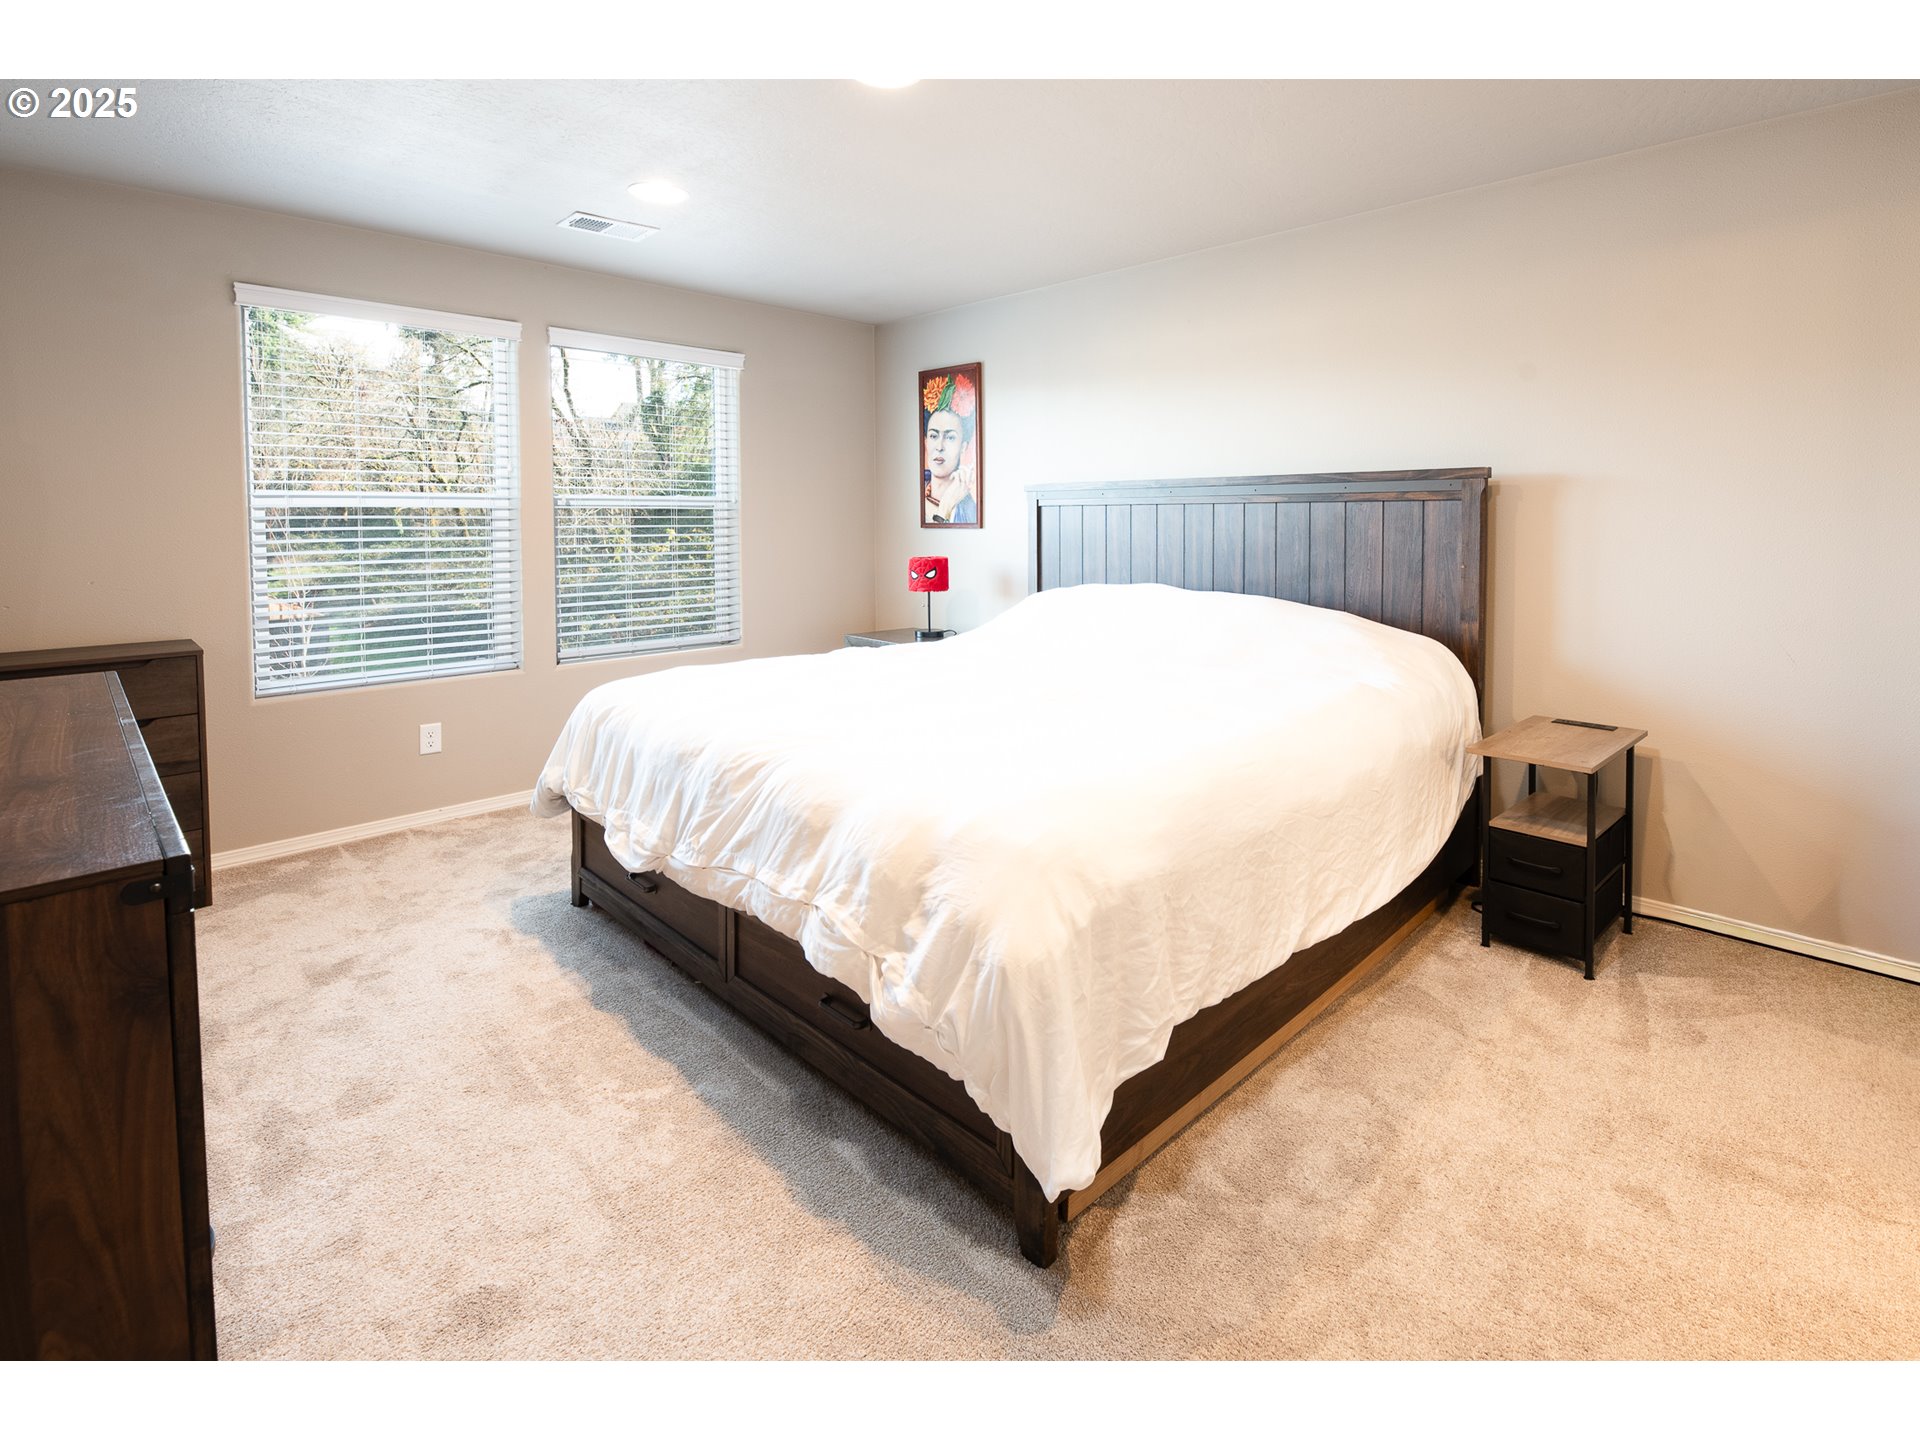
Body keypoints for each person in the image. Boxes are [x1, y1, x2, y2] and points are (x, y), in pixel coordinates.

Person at [921, 372, 978, 524]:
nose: (939, 447)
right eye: (933, 436)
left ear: (963, 447)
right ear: (926, 442)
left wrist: (946, 507)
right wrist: (943, 509)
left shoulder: (970, 510)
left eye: (950, 437)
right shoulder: (907, 497)